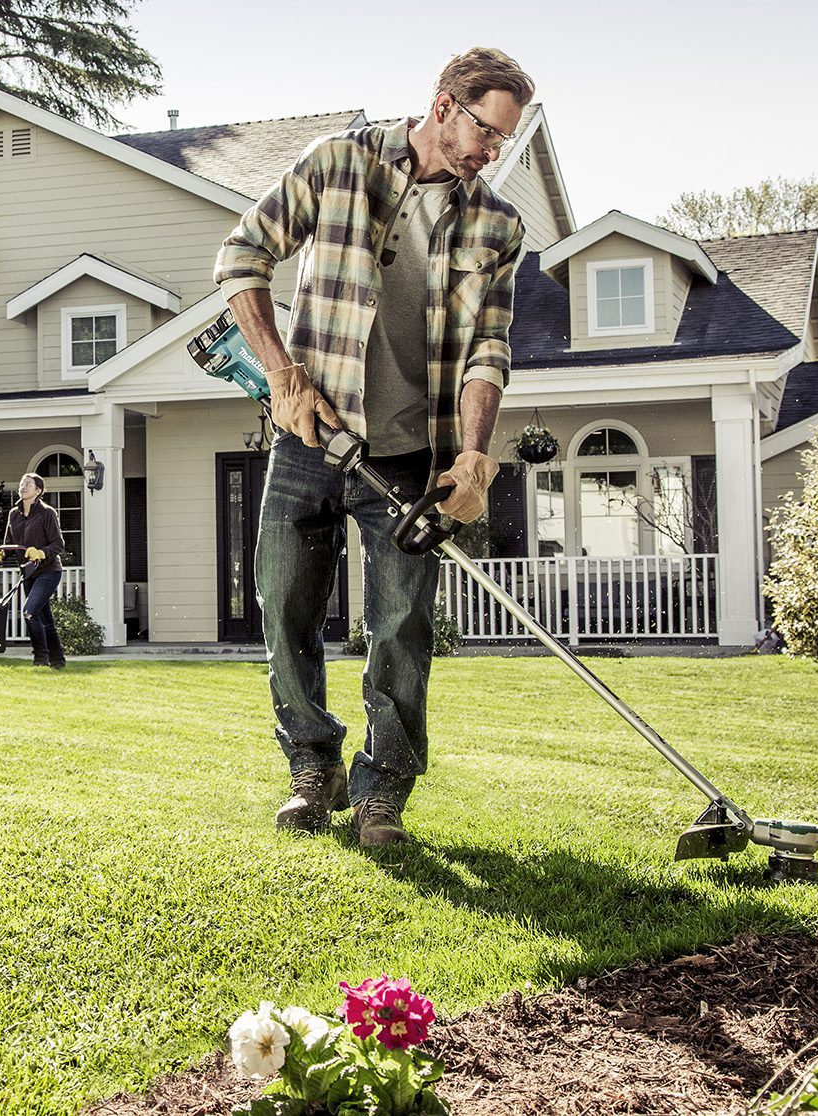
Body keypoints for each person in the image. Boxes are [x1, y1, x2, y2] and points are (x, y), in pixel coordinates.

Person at [212, 47, 534, 846]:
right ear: (444, 104)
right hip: (309, 439)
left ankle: (383, 794)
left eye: (504, 141)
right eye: (488, 133)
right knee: (285, 607)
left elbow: (487, 351)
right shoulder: (339, 164)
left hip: (410, 456)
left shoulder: (497, 226)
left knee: (400, 628)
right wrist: (283, 374)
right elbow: (241, 257)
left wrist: (473, 458)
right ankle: (311, 770)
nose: (493, 153)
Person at [0, 472, 66, 668]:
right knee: (45, 619)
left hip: (49, 570)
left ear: (38, 490)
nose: (23, 486)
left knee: (29, 611)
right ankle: (58, 660)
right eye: (21, 483)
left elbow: (58, 544)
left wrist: (41, 553)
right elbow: (10, 545)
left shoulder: (47, 513)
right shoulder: (14, 514)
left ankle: (40, 657)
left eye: (28, 484)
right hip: (28, 573)